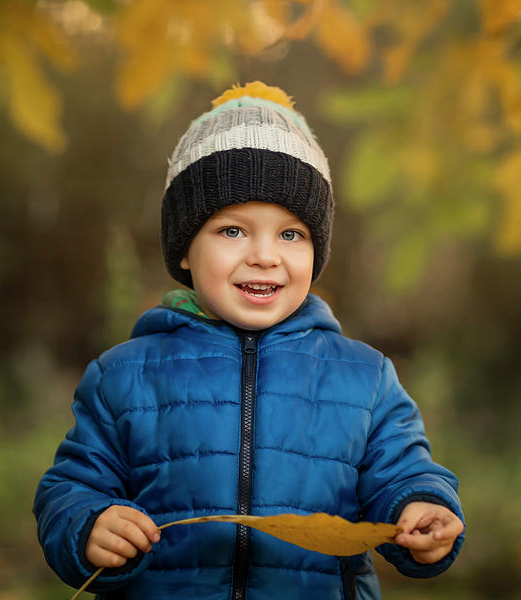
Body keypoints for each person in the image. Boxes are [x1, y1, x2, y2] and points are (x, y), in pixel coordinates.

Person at [33, 81, 465, 599]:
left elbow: (402, 473)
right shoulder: (123, 377)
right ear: (185, 251)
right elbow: (70, 488)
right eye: (233, 230)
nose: (265, 255)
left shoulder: (364, 378)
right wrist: (89, 524)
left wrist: (420, 507)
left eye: (291, 234)